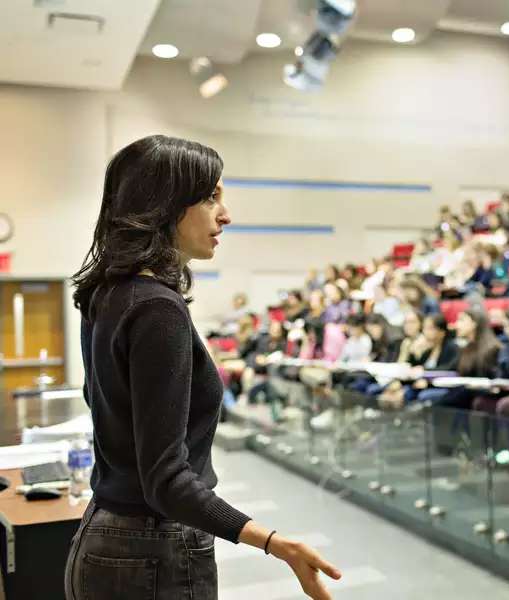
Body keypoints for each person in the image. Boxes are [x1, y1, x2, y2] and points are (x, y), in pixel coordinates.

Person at [68, 135, 339, 600]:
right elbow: (167, 481)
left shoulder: (108, 294)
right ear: (164, 204)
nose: (226, 213)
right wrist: (275, 544)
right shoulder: (157, 309)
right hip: (149, 553)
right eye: (211, 196)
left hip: (103, 537)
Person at [416, 310, 499, 408]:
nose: (456, 325)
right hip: (465, 390)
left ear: (474, 324)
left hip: (480, 391)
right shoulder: (466, 348)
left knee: (439, 399)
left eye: (461, 320)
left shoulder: (491, 348)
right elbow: (453, 368)